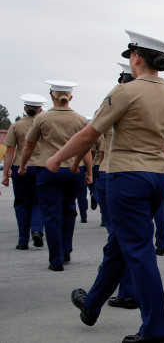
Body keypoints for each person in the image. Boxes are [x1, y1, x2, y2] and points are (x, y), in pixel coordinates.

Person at [52, 30, 164, 343]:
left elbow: (89, 134)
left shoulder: (125, 91)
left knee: (139, 253)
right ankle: (92, 305)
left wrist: (57, 157)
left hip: (126, 177)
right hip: (155, 178)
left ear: (136, 57)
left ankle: (155, 332)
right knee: (119, 246)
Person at [19, 80, 92, 271]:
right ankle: (66, 249)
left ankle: (56, 259)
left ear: (52, 96)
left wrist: (23, 165)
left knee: (51, 214)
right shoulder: (80, 119)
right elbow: (85, 148)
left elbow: (29, 146)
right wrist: (89, 171)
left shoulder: (42, 119)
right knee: (69, 209)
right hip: (73, 170)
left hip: (48, 169)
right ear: (71, 98)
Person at [94, 64, 138, 309]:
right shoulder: (159, 101)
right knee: (134, 238)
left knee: (118, 237)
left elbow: (93, 134)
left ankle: (122, 292)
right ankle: (127, 292)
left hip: (113, 171)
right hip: (147, 175)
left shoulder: (114, 99)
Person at [2, 93, 47, 250]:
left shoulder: (16, 126)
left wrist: (5, 173)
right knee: (38, 201)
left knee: (21, 203)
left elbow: (9, 152)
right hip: (41, 166)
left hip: (20, 167)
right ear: (40, 109)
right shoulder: (44, 124)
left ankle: (22, 240)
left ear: (25, 108)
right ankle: (36, 229)